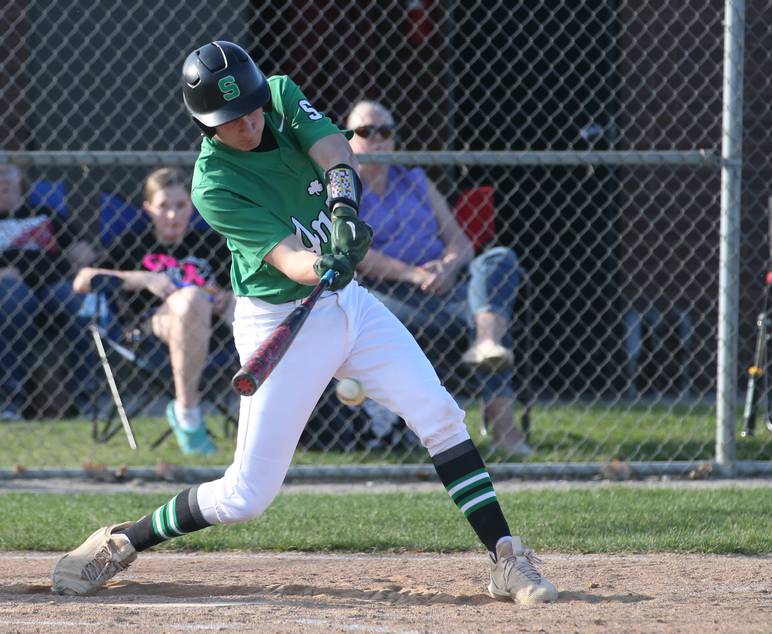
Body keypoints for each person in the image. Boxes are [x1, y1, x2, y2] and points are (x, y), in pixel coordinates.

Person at [51, 41, 557, 605]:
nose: (247, 122)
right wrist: (324, 260)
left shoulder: (282, 95)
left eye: (251, 107)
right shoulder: (213, 182)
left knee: (438, 413)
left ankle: (507, 559)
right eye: (230, 119)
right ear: (202, 121)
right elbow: (289, 259)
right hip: (279, 318)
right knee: (246, 497)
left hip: (351, 306)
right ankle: (126, 538)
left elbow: (337, 152)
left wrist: (342, 211)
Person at [346, 100, 530, 453]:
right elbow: (358, 255)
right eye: (366, 132)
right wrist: (414, 275)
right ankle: (479, 429)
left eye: (386, 132)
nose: (378, 140)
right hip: (389, 294)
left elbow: (460, 242)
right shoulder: (345, 189)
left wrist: (446, 266)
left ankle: (486, 346)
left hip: (445, 287)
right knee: (478, 314)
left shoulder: (415, 179)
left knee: (498, 260)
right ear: (349, 139)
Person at [72, 167, 234, 455]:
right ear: (148, 209)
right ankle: (188, 412)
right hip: (152, 330)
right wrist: (144, 278)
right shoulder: (133, 244)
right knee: (191, 299)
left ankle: (276, 406)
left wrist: (225, 296)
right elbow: (83, 280)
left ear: (191, 206)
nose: (172, 215)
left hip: (216, 329)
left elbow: (237, 285)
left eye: (181, 206)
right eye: (163, 207)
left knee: (242, 302)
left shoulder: (209, 243)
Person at [0, 164, 97, 420]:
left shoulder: (45, 215)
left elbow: (79, 249)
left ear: (19, 177)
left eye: (6, 172)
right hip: (9, 290)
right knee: (15, 300)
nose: (2, 180)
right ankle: (11, 401)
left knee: (80, 304)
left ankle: (86, 400)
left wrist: (82, 256)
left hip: (54, 283)